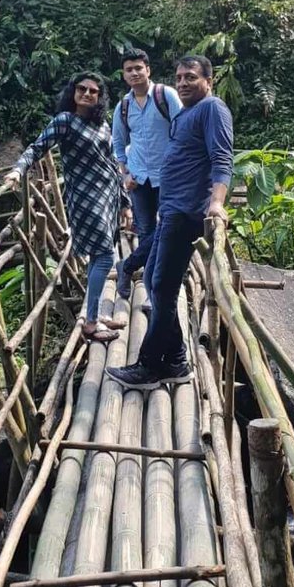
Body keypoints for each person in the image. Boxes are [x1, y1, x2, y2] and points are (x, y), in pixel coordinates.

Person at [106, 54, 233, 389]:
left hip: (188, 211)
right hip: (171, 209)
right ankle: (176, 360)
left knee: (161, 284)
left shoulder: (212, 109)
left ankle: (150, 366)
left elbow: (222, 157)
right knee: (152, 279)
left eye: (190, 77)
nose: (183, 83)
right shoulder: (186, 113)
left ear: (209, 79)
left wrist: (217, 203)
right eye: (178, 78)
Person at [4, 73, 131, 344]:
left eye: (93, 91)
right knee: (105, 256)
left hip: (108, 196)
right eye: (82, 88)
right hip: (86, 198)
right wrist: (18, 170)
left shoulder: (102, 125)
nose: (87, 94)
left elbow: (111, 163)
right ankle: (91, 324)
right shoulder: (64, 121)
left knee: (99, 257)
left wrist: (124, 202)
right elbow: (37, 147)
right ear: (73, 91)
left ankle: (94, 314)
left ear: (99, 96)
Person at [111, 49, 181, 301]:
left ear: (148, 70)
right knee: (147, 231)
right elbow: (118, 144)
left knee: (167, 229)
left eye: (138, 68)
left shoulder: (166, 96)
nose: (134, 73)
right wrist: (125, 173)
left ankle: (128, 266)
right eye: (129, 69)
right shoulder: (123, 106)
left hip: (168, 177)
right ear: (124, 75)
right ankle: (152, 291)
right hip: (138, 179)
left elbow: (182, 129)